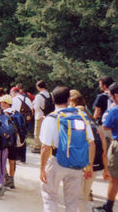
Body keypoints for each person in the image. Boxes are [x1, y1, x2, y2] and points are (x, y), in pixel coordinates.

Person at [39, 86, 95, 212]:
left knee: (50, 197)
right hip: (76, 163)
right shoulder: (81, 116)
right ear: (69, 99)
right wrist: (89, 166)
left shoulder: (51, 118)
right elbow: (91, 143)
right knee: (72, 202)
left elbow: (45, 147)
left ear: (53, 99)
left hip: (56, 162)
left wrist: (42, 169)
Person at [93, 82, 118, 212]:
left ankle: (108, 207)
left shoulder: (115, 110)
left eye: (111, 96)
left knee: (114, 178)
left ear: (116, 95)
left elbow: (105, 127)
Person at [0, 94, 26, 189]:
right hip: (15, 141)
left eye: (2, 102)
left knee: (1, 160)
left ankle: (6, 177)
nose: (0, 104)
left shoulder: (2, 114)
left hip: (5, 141)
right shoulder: (18, 113)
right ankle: (12, 178)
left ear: (6, 103)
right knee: (12, 160)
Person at [32, 80, 54, 153]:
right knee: (46, 132)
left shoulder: (38, 96)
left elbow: (36, 107)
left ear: (38, 87)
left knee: (37, 132)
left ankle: (37, 147)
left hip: (39, 116)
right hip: (49, 116)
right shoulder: (50, 94)